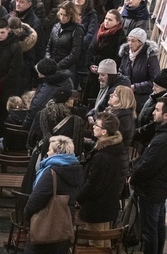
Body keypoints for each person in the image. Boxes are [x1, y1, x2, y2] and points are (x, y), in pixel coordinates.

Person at [24, 135, 83, 254]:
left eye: (50, 149)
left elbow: (36, 199)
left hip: (46, 225)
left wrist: (26, 215)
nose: (47, 152)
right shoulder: (75, 169)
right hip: (65, 223)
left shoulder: (51, 172)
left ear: (57, 152)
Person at [77, 111, 126, 244]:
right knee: (104, 242)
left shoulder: (102, 155)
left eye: (96, 125)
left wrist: (79, 197)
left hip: (96, 207)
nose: (93, 126)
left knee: (96, 243)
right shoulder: (115, 149)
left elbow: (93, 184)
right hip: (108, 203)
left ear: (104, 132)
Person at [130, 96, 167, 254]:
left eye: (157, 110)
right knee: (157, 226)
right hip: (159, 188)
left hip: (152, 189)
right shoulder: (160, 134)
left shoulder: (162, 139)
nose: (153, 112)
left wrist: (134, 177)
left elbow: (148, 165)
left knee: (149, 230)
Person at [118, 27, 160, 112]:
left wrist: (135, 87)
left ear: (141, 43)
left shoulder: (150, 56)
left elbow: (154, 81)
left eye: (133, 41)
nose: (130, 43)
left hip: (141, 99)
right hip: (125, 96)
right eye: (128, 40)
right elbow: (121, 71)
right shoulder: (126, 52)